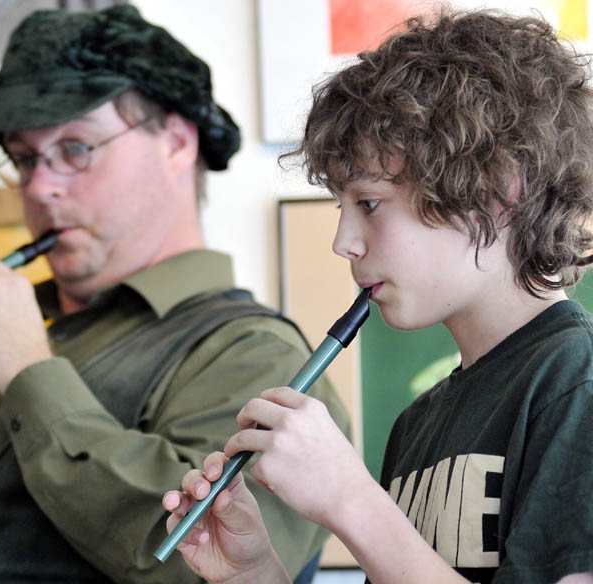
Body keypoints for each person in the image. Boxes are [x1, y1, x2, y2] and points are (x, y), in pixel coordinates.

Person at [0, 5, 350, 584]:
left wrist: (28, 373)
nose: (40, 187)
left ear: (176, 143)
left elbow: (193, 570)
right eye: (25, 157)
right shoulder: (6, 337)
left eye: (76, 148)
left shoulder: (262, 358)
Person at [162, 9, 593, 584]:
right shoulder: (418, 423)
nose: (343, 242)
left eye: (368, 204)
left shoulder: (576, 382)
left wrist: (351, 500)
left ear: (495, 189)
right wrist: (254, 572)